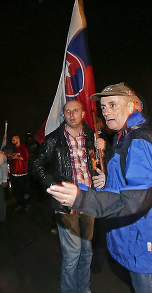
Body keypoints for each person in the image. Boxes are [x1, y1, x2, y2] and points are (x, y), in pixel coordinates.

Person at [47, 83, 152, 293]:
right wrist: (104, 182)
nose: (106, 111)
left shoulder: (138, 141)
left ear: (131, 107)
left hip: (145, 239)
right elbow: (126, 186)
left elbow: (136, 199)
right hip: (138, 236)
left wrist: (82, 198)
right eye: (103, 107)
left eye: (112, 105)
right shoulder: (125, 137)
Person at [30, 100, 104, 293]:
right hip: (67, 204)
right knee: (72, 254)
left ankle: (83, 288)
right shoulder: (54, 139)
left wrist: (101, 149)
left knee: (86, 252)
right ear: (63, 115)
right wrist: (52, 184)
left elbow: (96, 166)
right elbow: (35, 162)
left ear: (83, 114)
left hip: (88, 202)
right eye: (67, 111)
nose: (71, 114)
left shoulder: (90, 137)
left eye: (76, 110)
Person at [9, 135, 31, 210]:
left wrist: (17, 157)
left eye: (14, 140)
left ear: (18, 139)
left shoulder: (23, 148)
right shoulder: (15, 149)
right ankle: (20, 204)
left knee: (24, 190)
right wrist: (11, 157)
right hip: (15, 174)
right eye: (12, 140)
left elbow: (26, 158)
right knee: (17, 191)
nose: (12, 141)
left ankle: (27, 204)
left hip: (22, 174)